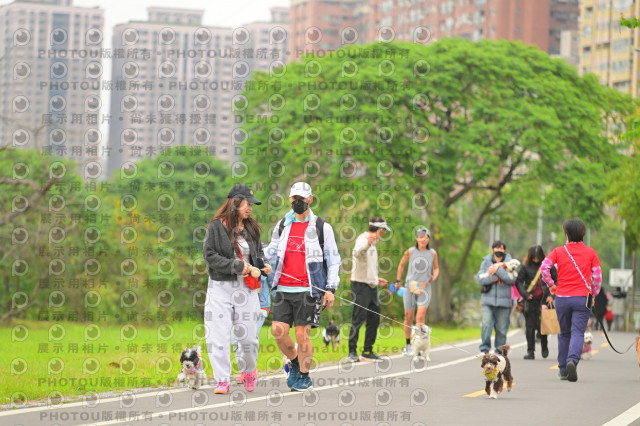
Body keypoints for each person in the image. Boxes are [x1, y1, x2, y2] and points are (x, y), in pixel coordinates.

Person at [265, 182, 341, 392]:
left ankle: (305, 377)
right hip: (283, 288)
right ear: (290, 199)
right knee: (278, 331)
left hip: (309, 290)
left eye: (301, 198)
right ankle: (295, 363)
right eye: (294, 198)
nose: (297, 202)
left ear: (310, 199)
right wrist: (255, 256)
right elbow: (271, 250)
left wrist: (330, 288)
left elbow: (333, 260)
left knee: (301, 335)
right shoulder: (283, 224)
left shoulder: (322, 227)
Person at [202, 184, 272, 394]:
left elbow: (258, 255)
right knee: (218, 335)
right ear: (235, 203)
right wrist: (237, 266)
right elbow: (210, 256)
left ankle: (248, 370)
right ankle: (222, 380)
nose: (250, 208)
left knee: (248, 337)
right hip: (220, 287)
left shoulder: (252, 228)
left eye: (251, 205)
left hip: (247, 288)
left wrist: (264, 266)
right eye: (247, 204)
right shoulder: (215, 227)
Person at [541, 218, 602, 382]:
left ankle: (562, 370)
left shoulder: (558, 251)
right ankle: (572, 361)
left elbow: (544, 267)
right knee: (577, 332)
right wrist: (593, 294)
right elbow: (597, 277)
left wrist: (551, 285)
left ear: (566, 234)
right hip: (582, 298)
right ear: (583, 234)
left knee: (564, 333)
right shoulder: (591, 252)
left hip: (562, 297)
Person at [347, 217, 391, 362]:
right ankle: (352, 352)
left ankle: (367, 351)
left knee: (374, 319)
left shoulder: (373, 244)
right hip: (360, 285)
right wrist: (367, 243)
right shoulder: (363, 239)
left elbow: (368, 267)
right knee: (358, 318)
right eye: (384, 231)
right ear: (380, 230)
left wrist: (377, 279)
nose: (384, 234)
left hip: (371, 286)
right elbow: (357, 253)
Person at [232, 244, 275, 384]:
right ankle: (244, 370)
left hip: (261, 305)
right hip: (239, 305)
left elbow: (274, 284)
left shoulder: (263, 259)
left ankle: (250, 370)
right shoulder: (235, 259)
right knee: (235, 340)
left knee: (250, 337)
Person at [395, 227, 439, 356]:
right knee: (408, 317)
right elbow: (401, 265)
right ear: (416, 238)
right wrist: (398, 280)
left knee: (420, 317)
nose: (422, 239)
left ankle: (417, 345)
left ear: (428, 239)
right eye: (420, 237)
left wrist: (434, 277)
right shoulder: (410, 251)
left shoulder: (433, 253)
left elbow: (436, 268)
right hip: (411, 286)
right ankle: (408, 345)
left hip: (424, 287)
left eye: (425, 237)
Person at [476, 240, 517, 354]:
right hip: (487, 301)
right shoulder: (485, 263)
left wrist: (497, 270)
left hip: (505, 302)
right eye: (497, 248)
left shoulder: (511, 264)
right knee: (486, 325)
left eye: (502, 248)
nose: (499, 250)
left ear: (504, 250)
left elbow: (511, 279)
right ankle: (484, 348)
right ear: (492, 249)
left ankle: (499, 350)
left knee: (502, 328)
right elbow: (480, 279)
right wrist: (494, 276)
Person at [515, 245, 556, 360]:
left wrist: (552, 295)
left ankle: (544, 345)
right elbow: (518, 282)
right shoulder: (525, 267)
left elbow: (557, 280)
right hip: (530, 301)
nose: (536, 260)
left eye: (538, 257)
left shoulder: (549, 267)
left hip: (545, 300)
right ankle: (530, 351)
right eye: (534, 258)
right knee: (530, 328)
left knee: (543, 325)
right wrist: (525, 294)